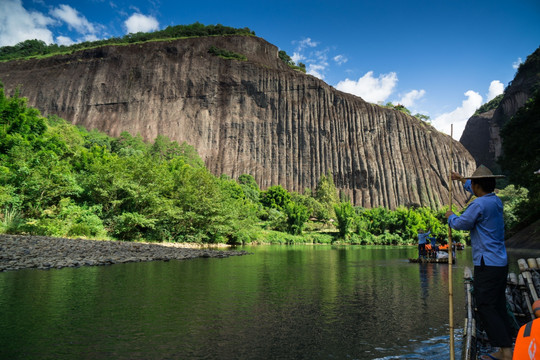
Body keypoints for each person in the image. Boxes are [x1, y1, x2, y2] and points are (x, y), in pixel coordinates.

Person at [445, 165, 513, 360]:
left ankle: (506, 353)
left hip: (487, 264)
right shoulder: (495, 201)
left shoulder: (478, 205)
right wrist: (461, 180)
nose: (471, 187)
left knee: (485, 306)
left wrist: (451, 217)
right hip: (500, 262)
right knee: (498, 306)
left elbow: (461, 224)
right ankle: (505, 348)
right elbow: (475, 189)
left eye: (472, 183)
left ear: (477, 186)